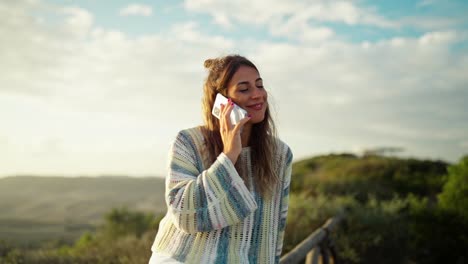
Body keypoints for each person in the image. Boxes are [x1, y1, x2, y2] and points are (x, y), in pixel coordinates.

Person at [149, 54, 293, 264]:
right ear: (221, 101)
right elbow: (183, 214)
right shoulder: (189, 142)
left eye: (259, 85)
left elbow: (275, 227)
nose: (257, 95)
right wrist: (228, 156)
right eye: (244, 89)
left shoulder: (280, 154)